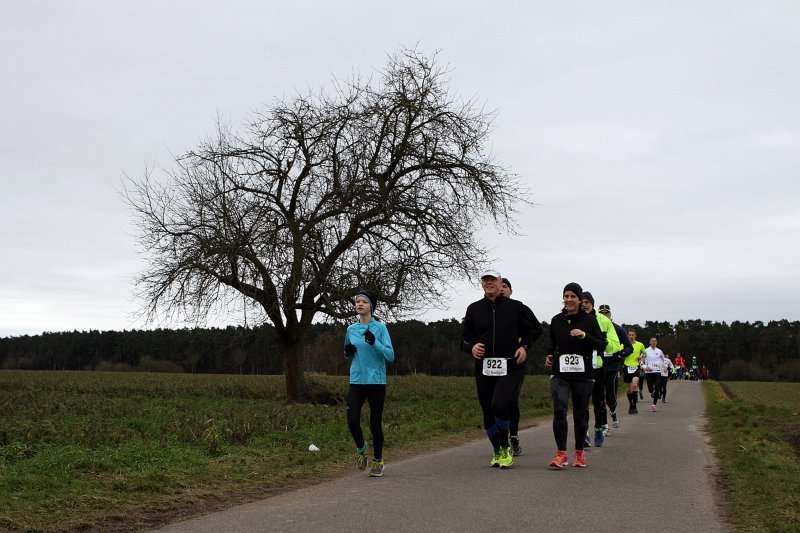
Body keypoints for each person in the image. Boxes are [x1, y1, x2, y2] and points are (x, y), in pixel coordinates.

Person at [461, 268, 536, 469]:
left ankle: (505, 445)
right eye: (485, 280)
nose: (489, 283)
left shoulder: (516, 307)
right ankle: (498, 449)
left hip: (510, 366)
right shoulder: (474, 309)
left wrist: (524, 346)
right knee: (487, 411)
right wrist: (471, 347)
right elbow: (464, 339)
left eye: (492, 279)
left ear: (500, 282)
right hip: (484, 368)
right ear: (482, 283)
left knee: (499, 404)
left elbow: (531, 331)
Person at [545, 282, 606, 469]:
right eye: (566, 296)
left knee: (580, 414)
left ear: (580, 300)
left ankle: (579, 453)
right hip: (560, 373)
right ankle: (561, 454)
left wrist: (584, 336)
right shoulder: (556, 320)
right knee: (560, 410)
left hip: (583, 374)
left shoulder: (589, 321)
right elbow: (552, 342)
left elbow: (601, 344)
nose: (569, 300)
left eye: (573, 296)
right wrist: (549, 355)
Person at [343, 290, 395, 477]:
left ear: (371, 306)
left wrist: (375, 343)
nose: (360, 304)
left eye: (364, 302)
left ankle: (378, 461)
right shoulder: (351, 329)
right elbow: (347, 354)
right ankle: (361, 448)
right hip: (357, 380)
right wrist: (348, 352)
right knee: (352, 420)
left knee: (375, 424)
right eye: (357, 301)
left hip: (376, 382)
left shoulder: (380, 328)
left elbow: (390, 356)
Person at [500, 277, 543, 456]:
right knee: (497, 403)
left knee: (510, 400)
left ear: (511, 291)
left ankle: (514, 436)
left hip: (515, 364)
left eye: (505, 286)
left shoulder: (520, 308)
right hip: (494, 365)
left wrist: (525, 345)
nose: (501, 289)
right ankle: (501, 439)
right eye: (499, 286)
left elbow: (537, 329)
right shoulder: (489, 310)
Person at [579, 292, 622, 447]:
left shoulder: (603, 321)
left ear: (592, 304)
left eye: (587, 302)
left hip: (598, 365)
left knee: (598, 401)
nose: (584, 305)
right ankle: (584, 433)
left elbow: (615, 345)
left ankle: (598, 427)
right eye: (582, 302)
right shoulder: (575, 318)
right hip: (580, 366)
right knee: (582, 401)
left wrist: (601, 343)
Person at [597, 304, 633, 430]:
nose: (604, 315)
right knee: (599, 396)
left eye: (606, 313)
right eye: (601, 313)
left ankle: (613, 411)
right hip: (598, 365)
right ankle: (604, 424)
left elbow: (629, 347)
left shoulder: (618, 329)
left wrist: (620, 355)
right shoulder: (594, 327)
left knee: (610, 396)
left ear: (610, 314)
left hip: (612, 366)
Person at [624, 329, 647, 413]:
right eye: (630, 335)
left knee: (634, 385)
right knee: (629, 389)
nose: (631, 336)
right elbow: (621, 353)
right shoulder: (624, 344)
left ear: (635, 335)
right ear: (628, 335)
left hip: (636, 366)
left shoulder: (640, 344)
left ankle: (634, 405)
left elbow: (645, 353)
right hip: (626, 366)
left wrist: (641, 357)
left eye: (632, 335)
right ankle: (631, 405)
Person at [643, 337, 666, 412]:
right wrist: (645, 367)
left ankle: (654, 405)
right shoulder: (646, 351)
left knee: (657, 387)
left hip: (657, 371)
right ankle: (651, 391)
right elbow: (641, 361)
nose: (654, 342)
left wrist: (664, 367)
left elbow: (663, 360)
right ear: (650, 342)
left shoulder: (659, 351)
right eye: (652, 341)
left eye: (655, 341)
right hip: (649, 372)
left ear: (657, 342)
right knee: (650, 388)